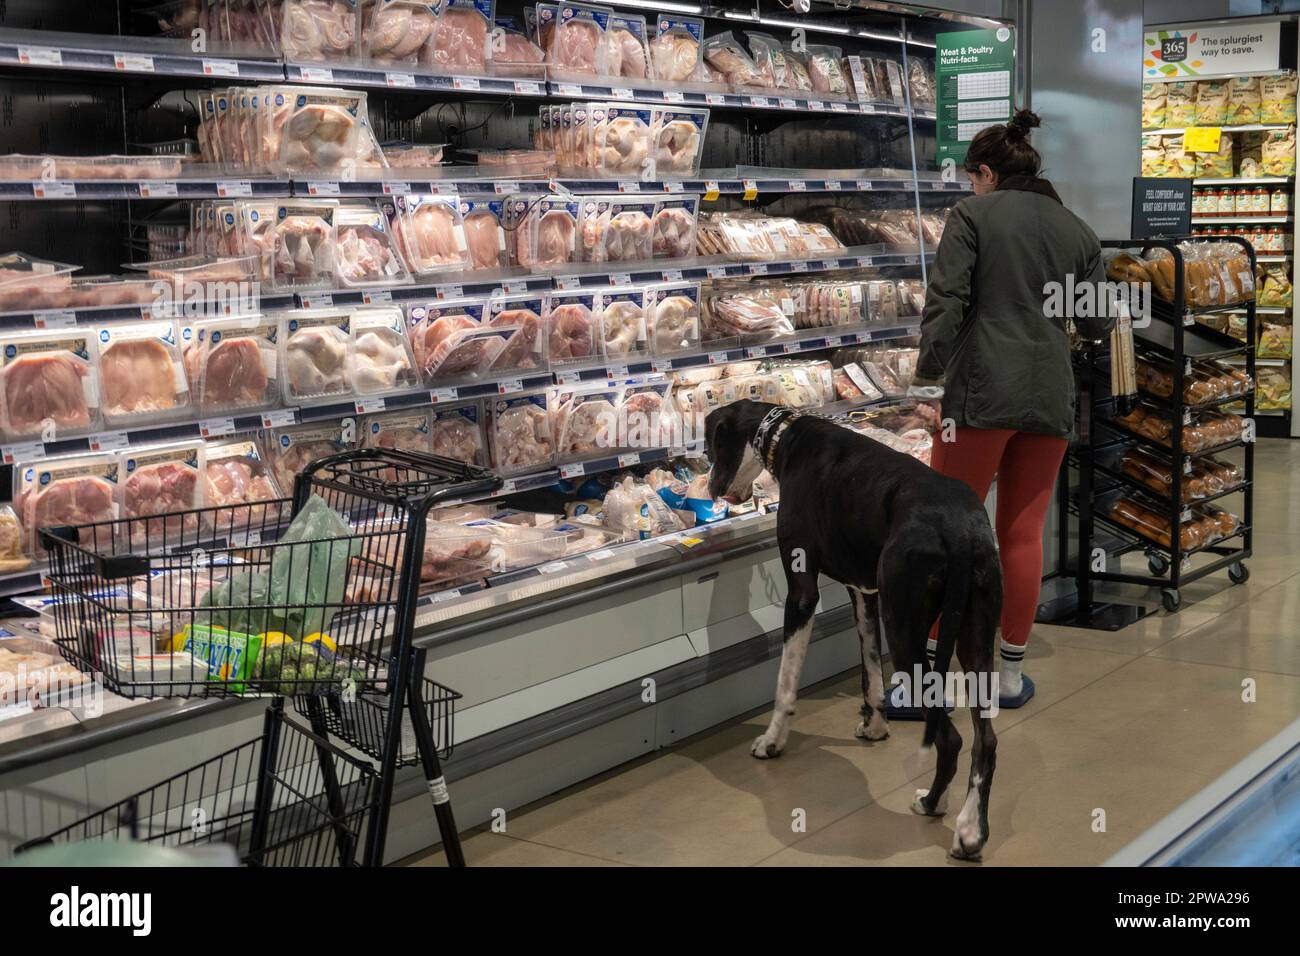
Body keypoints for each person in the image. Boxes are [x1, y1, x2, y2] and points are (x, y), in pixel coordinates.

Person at [908, 109, 1114, 708]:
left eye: (973, 176)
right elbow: (1100, 321)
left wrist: (927, 376)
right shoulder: (1078, 230)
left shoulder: (972, 215)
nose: (970, 186)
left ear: (988, 173)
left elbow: (947, 300)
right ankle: (1006, 676)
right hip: (1049, 396)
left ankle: (929, 677)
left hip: (977, 395)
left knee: (947, 532)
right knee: (1020, 535)